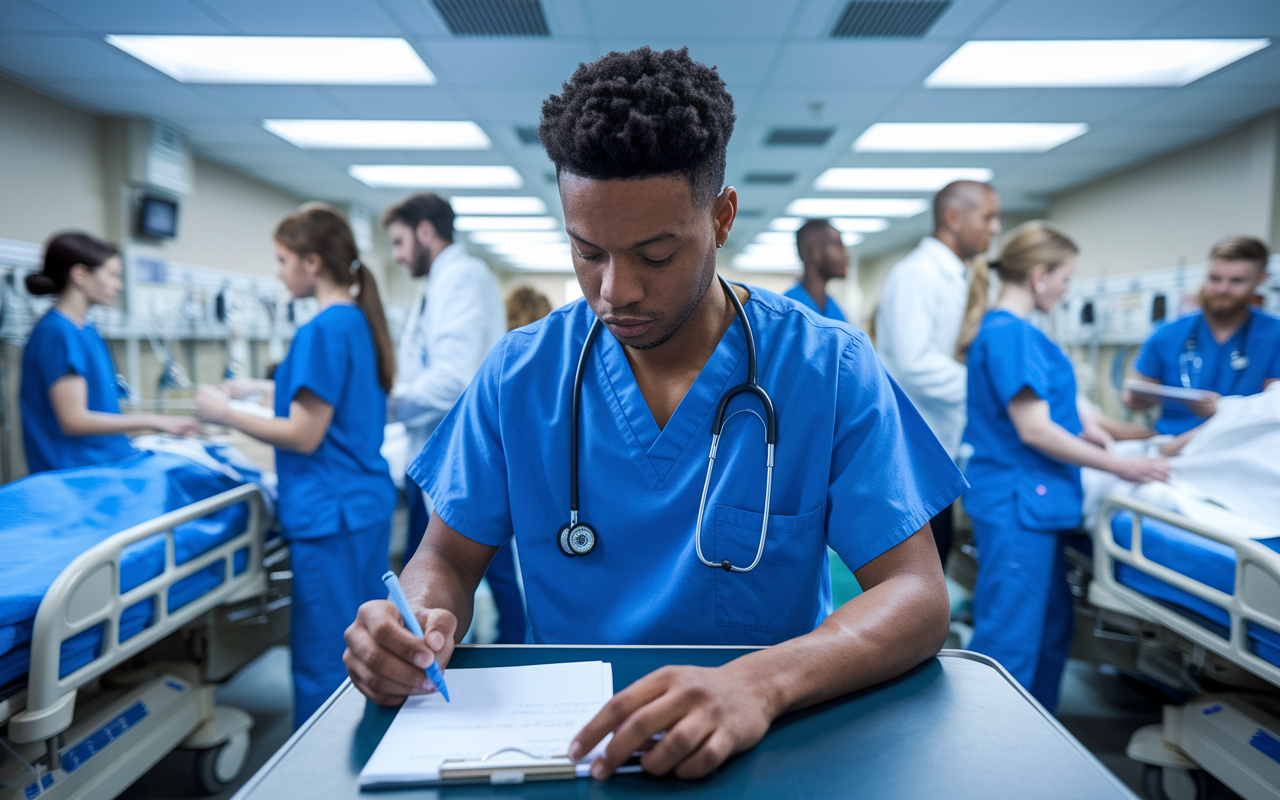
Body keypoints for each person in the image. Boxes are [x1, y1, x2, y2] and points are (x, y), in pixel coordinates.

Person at [343, 46, 966, 781]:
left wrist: (757, 683)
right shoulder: (520, 374)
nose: (616, 291)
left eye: (656, 254)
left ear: (722, 216)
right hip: (567, 752)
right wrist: (412, 623)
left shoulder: (826, 368)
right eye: (587, 253)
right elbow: (446, 558)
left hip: (769, 741)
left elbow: (918, 597)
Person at [194, 204, 398, 728]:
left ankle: (320, 766)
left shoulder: (321, 331)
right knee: (367, 640)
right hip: (359, 504)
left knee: (325, 654)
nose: (278, 271)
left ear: (312, 262)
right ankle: (364, 740)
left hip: (330, 513)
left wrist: (225, 411)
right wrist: (261, 389)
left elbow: (304, 434)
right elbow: (334, 400)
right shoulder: (354, 320)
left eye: (283, 259)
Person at [963, 221, 1170, 712]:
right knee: (1010, 644)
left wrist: (1127, 436)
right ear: (1039, 276)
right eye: (1065, 278)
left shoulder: (1015, 333)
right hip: (1018, 507)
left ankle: (1036, 743)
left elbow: (1061, 416)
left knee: (1051, 629)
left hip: (1033, 506)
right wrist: (1121, 467)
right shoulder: (1010, 334)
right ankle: (990, 765)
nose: (1065, 288)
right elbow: (1033, 428)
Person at [381, 193, 518, 642]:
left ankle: (516, 649)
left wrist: (389, 405)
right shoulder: (443, 281)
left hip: (462, 454)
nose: (398, 256)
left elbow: (452, 379)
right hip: (439, 453)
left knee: (479, 566)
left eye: (400, 242)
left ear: (425, 230)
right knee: (456, 570)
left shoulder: (461, 277)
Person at [874, 181, 1002, 565]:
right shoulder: (917, 275)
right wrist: (988, 389)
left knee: (938, 553)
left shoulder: (960, 276)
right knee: (921, 564)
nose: (995, 228)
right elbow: (915, 365)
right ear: (952, 218)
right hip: (914, 446)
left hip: (939, 442)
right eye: (988, 217)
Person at [21, 231, 199, 473]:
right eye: (113, 275)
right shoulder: (57, 333)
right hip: (77, 475)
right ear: (81, 275)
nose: (119, 285)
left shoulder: (86, 329)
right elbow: (74, 420)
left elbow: (99, 406)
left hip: (107, 462)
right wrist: (155, 421)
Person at [1122, 236, 1280, 434]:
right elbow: (1134, 400)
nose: (1222, 289)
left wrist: (1225, 408)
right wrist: (1135, 399)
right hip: (1171, 445)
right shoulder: (1165, 335)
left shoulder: (1274, 335)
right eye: (1215, 279)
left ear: (1261, 279)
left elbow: (1273, 407)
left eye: (1236, 281)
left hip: (1242, 444)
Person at [783, 219, 847, 321]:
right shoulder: (788, 309)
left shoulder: (835, 310)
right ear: (814, 253)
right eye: (837, 245)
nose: (846, 254)